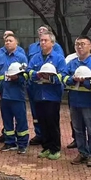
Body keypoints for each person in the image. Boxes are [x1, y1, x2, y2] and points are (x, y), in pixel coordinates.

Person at [62, 36, 91, 167]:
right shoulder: (72, 63)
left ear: (90, 46)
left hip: (89, 102)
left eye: (83, 44)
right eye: (77, 44)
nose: (80, 47)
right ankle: (82, 153)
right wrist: (72, 80)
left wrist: (85, 82)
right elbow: (63, 77)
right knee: (78, 129)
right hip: (74, 101)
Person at [27, 32, 66, 160]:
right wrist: (36, 75)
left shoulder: (58, 58)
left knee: (52, 122)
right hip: (38, 95)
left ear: (52, 43)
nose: (42, 43)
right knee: (42, 122)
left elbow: (63, 74)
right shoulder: (35, 58)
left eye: (45, 40)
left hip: (52, 96)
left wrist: (51, 78)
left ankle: (55, 148)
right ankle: (46, 147)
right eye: (41, 40)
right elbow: (29, 71)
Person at [0, 34, 29, 154]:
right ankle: (9, 142)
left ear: (16, 43)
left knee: (20, 120)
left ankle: (22, 144)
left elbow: (26, 75)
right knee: (7, 120)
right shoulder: (0, 57)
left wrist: (17, 78)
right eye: (6, 41)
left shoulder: (21, 57)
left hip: (17, 94)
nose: (7, 42)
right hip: (4, 95)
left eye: (10, 40)